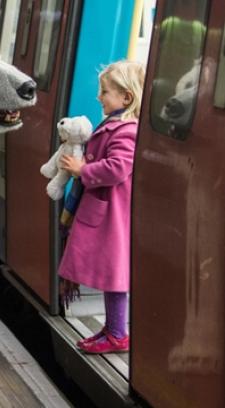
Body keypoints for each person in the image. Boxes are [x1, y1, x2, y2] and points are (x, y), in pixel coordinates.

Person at [58, 60, 146, 354]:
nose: (99, 97)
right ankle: (112, 329)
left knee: (115, 275)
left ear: (126, 97)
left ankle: (119, 334)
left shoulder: (127, 130)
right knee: (111, 276)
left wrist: (83, 169)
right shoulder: (115, 125)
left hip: (112, 214)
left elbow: (119, 168)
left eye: (105, 92)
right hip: (104, 210)